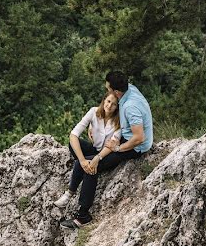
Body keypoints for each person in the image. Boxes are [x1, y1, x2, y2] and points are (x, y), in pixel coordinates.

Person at [60, 71, 153, 229]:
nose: (106, 89)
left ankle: (83, 217)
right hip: (125, 138)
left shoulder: (130, 107)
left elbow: (139, 138)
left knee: (92, 167)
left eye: (108, 87)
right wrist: (93, 124)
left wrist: (118, 148)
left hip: (134, 146)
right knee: (88, 159)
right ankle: (75, 183)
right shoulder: (129, 89)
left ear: (116, 92)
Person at [53, 92, 121, 210]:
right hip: (94, 149)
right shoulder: (94, 112)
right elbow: (73, 135)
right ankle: (85, 165)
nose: (109, 106)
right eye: (108, 101)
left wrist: (93, 159)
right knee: (74, 145)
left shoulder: (119, 121)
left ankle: (70, 193)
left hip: (106, 154)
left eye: (114, 104)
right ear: (104, 100)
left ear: (117, 107)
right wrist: (83, 159)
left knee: (81, 165)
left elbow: (111, 145)